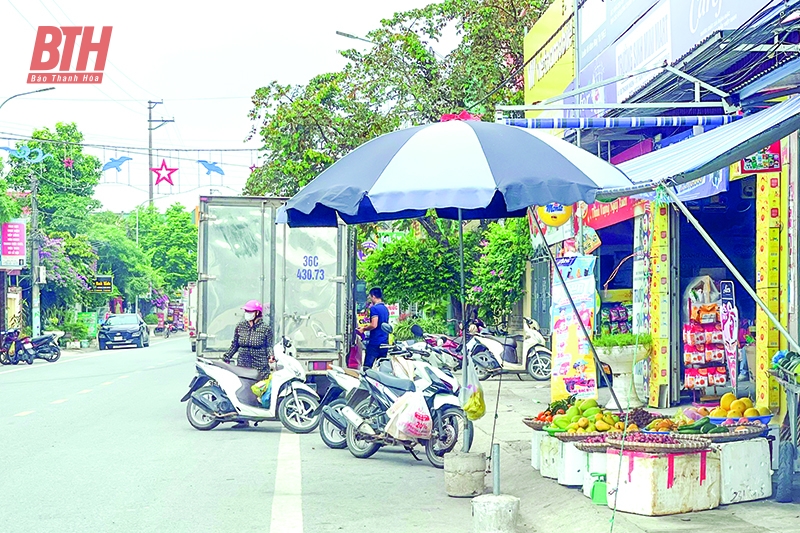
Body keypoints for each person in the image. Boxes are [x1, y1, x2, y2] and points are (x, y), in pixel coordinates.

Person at [223, 299, 273, 428]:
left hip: (259, 365)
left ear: (257, 313)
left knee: (258, 390)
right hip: (243, 364)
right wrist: (227, 356)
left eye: (249, 311)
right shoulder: (241, 326)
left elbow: (269, 346)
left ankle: (258, 414)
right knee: (242, 390)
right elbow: (235, 344)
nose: (247, 313)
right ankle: (242, 419)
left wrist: (271, 356)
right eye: (246, 311)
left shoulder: (266, 328)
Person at [357, 287, 390, 368]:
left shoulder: (374, 308)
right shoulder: (385, 309)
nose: (370, 299)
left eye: (370, 297)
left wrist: (363, 329)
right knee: (383, 367)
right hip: (384, 342)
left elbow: (374, 325)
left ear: (374, 296)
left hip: (375, 343)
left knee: (367, 367)